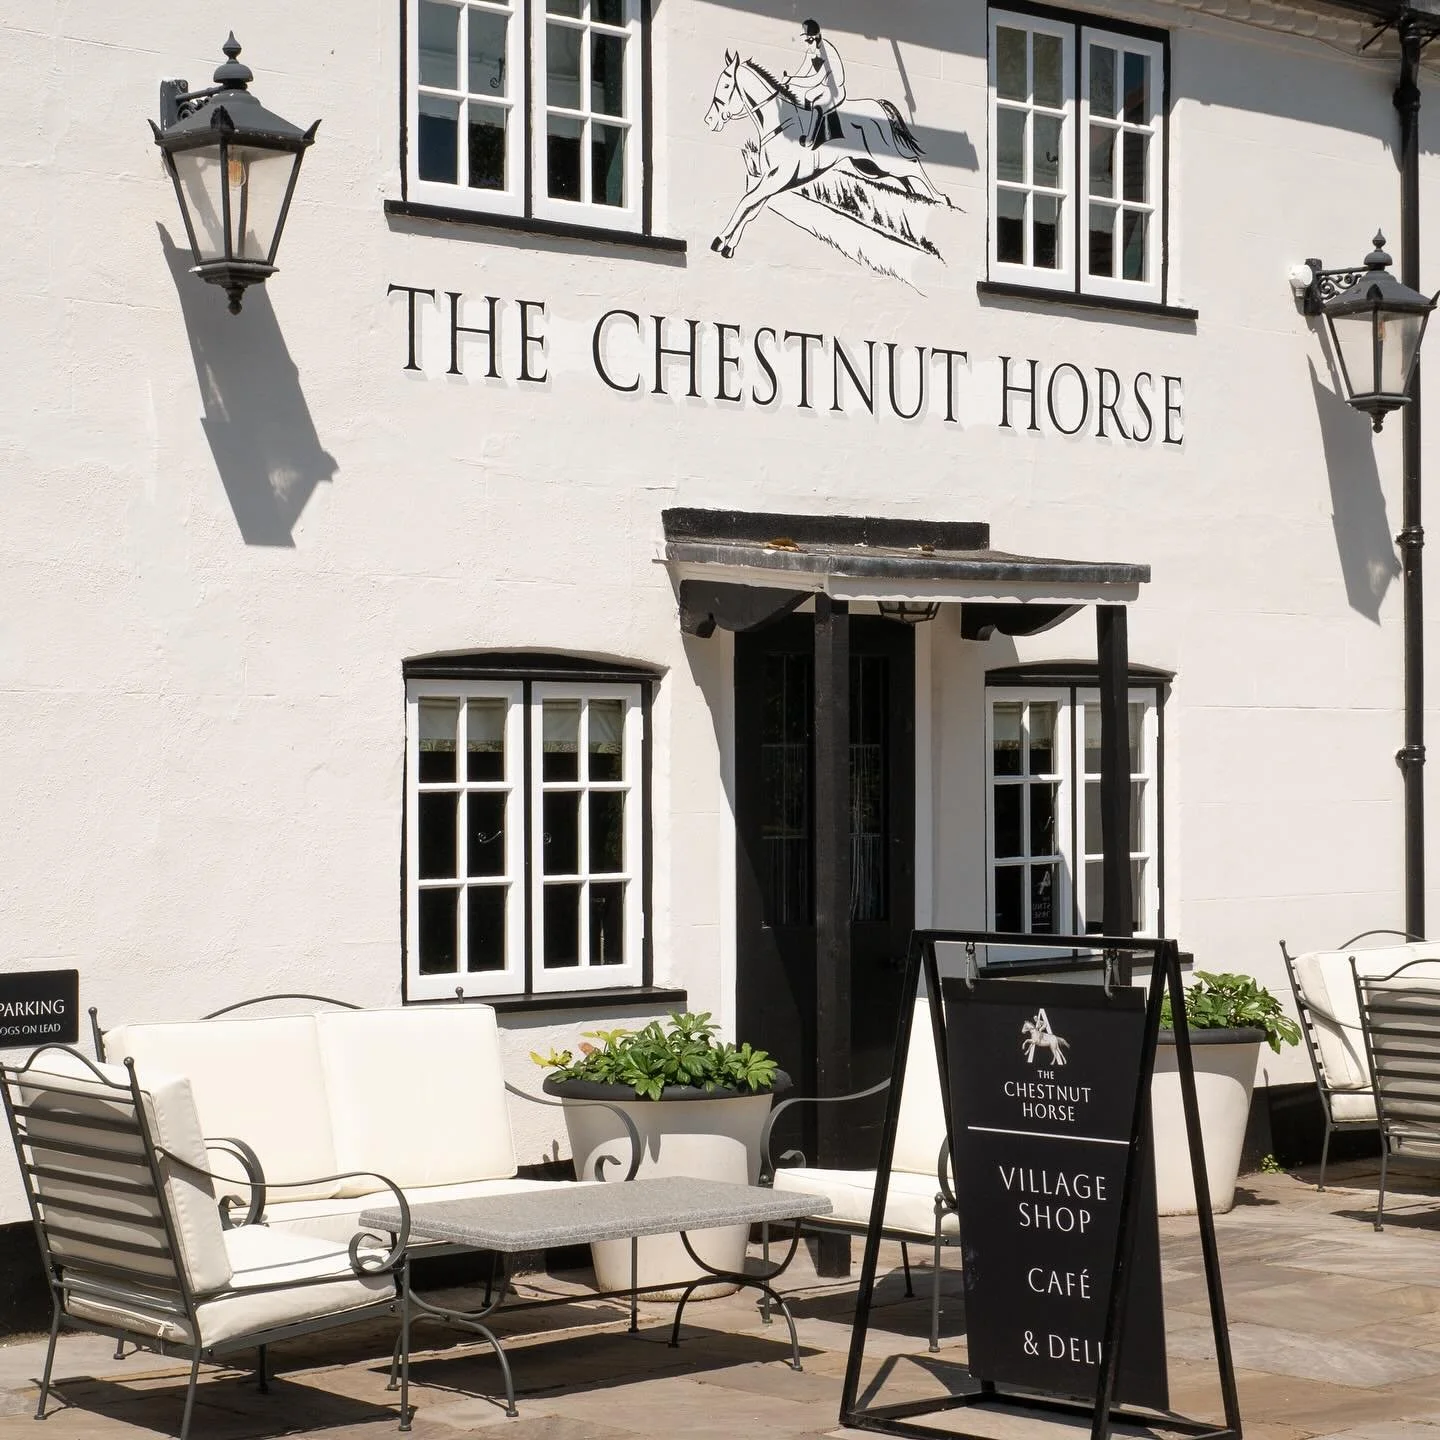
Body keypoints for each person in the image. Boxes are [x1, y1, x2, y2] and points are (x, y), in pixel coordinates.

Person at [786, 19, 846, 148]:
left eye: (807, 40)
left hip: (834, 88)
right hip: (823, 85)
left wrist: (791, 80)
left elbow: (815, 79)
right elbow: (803, 71)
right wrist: (790, 81)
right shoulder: (811, 50)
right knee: (804, 94)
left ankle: (810, 139)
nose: (806, 44)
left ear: (814, 38)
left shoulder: (827, 53)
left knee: (816, 101)